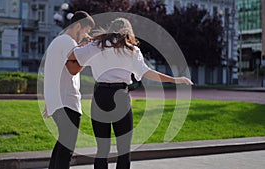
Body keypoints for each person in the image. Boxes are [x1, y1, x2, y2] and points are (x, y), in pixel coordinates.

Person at [67, 17, 193, 169]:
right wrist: (175, 80)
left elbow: (72, 56)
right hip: (120, 96)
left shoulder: (96, 45)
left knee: (102, 150)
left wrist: (84, 46)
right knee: (124, 150)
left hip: (100, 96)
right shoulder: (132, 50)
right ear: (128, 32)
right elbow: (148, 73)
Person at [43, 11, 95, 169]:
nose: (85, 35)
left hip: (58, 102)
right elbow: (73, 69)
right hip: (68, 103)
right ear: (78, 26)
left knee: (61, 147)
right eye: (85, 30)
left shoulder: (57, 42)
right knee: (66, 151)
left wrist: (50, 101)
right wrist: (89, 53)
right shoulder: (68, 42)